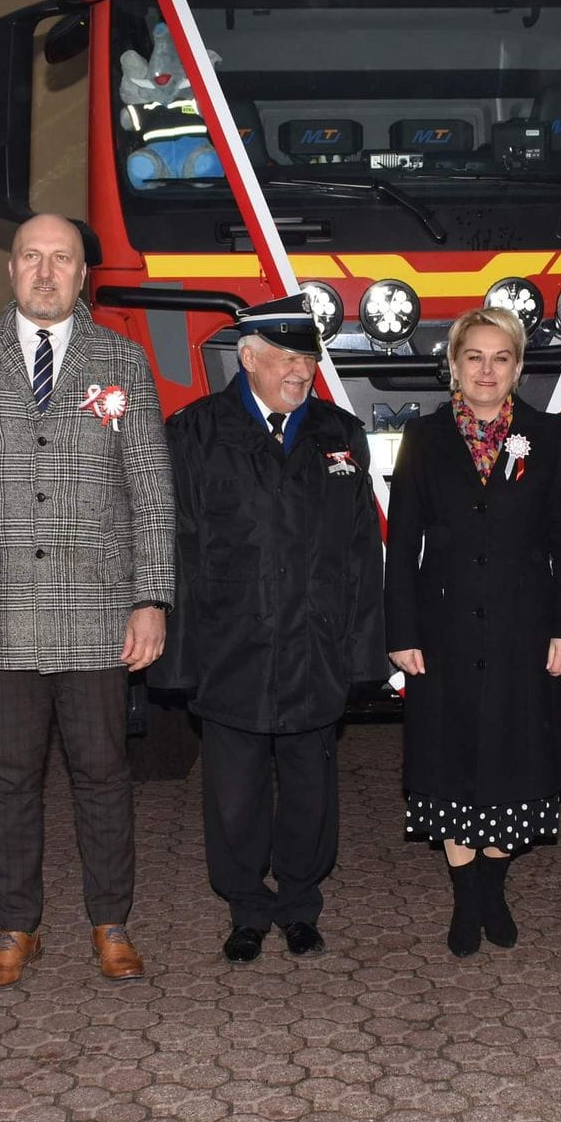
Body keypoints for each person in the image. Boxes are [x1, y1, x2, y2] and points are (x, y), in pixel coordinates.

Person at [0, 213, 176, 989]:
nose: (45, 271)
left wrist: (151, 597)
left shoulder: (122, 361)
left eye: (61, 258)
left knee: (102, 770)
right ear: (11, 269)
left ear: (82, 273)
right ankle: (15, 926)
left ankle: (110, 921)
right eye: (31, 256)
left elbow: (152, 494)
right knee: (7, 773)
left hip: (98, 612)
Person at [157, 295, 386, 964]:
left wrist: (363, 650)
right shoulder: (197, 432)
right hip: (233, 648)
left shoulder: (338, 435)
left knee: (311, 790)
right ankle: (247, 907)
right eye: (288, 357)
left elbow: (359, 549)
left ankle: (299, 903)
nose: (302, 370)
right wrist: (179, 659)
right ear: (248, 357)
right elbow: (180, 548)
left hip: (314, 647)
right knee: (234, 796)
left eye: (309, 358)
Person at [384, 306, 561, 955]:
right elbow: (403, 544)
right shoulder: (423, 437)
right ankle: (465, 899)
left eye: (501, 358)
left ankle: (489, 890)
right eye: (475, 357)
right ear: (455, 365)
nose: (487, 370)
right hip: (442, 632)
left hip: (522, 633)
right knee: (449, 763)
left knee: (513, 763)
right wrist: (402, 630)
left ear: (519, 367)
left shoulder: (549, 437)